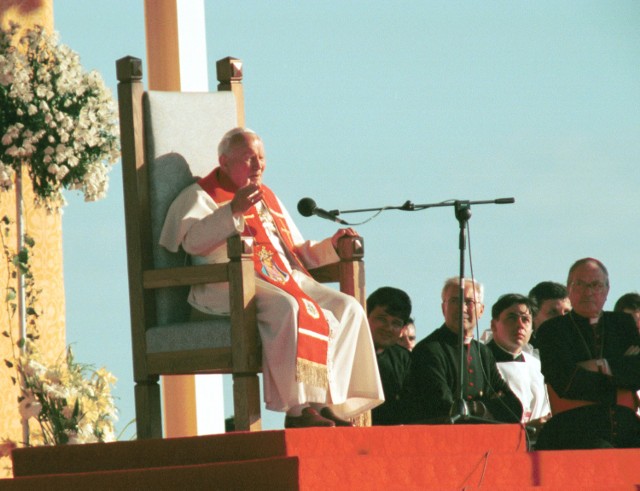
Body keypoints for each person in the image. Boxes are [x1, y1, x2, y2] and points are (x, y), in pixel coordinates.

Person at [159, 127, 384, 428]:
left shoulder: (268, 198)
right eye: (249, 159)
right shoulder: (200, 196)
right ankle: (297, 411)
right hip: (226, 284)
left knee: (350, 308)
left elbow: (295, 252)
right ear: (224, 163)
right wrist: (233, 211)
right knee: (289, 307)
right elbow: (192, 243)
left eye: (262, 158)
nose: (259, 165)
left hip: (281, 278)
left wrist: (332, 246)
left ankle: (327, 403)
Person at [535, 258, 640, 449]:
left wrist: (599, 365)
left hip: (628, 428)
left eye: (596, 285)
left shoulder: (623, 324)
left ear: (607, 290)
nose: (588, 292)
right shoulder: (552, 330)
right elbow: (565, 382)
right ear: (569, 289)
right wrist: (618, 373)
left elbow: (637, 373)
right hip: (575, 430)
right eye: (580, 284)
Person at [405, 277, 522, 424]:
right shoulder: (429, 349)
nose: (462, 308)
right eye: (454, 301)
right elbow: (443, 407)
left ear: (481, 310)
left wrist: (476, 408)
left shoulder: (483, 353)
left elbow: (513, 407)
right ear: (443, 308)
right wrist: (489, 406)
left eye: (469, 302)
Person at [487, 294, 551, 432]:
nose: (520, 325)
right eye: (512, 318)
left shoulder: (538, 365)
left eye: (525, 319)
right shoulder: (480, 363)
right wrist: (526, 429)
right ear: (493, 325)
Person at [366, 287, 412, 425]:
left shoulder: (405, 359)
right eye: (381, 319)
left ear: (403, 330)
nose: (388, 328)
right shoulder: (349, 351)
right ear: (366, 316)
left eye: (396, 323)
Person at [528, 281, 571, 347]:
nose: (563, 318)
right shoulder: (520, 352)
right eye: (553, 312)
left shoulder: (583, 347)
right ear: (533, 316)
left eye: (567, 312)